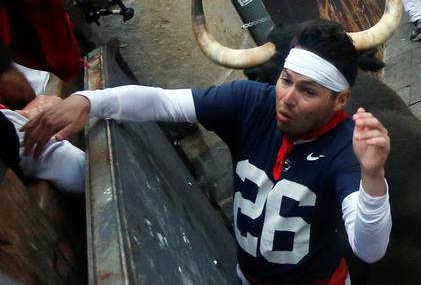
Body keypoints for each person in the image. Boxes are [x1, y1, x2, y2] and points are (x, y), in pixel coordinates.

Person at [21, 22, 394, 284]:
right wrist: (87, 101)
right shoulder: (252, 101)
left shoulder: (348, 147)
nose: (288, 100)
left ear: (339, 100)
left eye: (308, 92)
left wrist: (373, 177)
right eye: (286, 81)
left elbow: (369, 248)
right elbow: (162, 103)